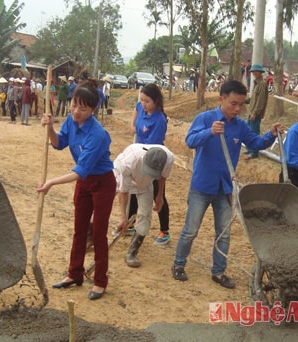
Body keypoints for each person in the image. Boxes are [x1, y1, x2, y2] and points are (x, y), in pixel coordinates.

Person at [171, 80, 282, 289]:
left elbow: (256, 143)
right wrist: (209, 132)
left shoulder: (240, 125)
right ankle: (178, 264)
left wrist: (271, 135)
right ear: (221, 99)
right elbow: (190, 141)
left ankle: (219, 271)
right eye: (233, 103)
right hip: (202, 186)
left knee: (224, 232)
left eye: (241, 104)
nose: (238, 109)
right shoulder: (205, 119)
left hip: (225, 189)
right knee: (191, 230)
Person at [37, 79, 116, 301]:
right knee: (79, 229)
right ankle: (74, 274)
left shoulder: (98, 134)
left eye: (83, 108)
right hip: (84, 184)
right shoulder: (71, 122)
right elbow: (58, 143)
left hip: (102, 184)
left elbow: (80, 171)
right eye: (74, 105)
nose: (76, 111)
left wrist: (51, 182)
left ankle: (100, 281)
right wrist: (51, 128)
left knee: (98, 233)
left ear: (93, 109)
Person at [114, 144, 174, 268]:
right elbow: (123, 192)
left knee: (145, 214)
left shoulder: (168, 158)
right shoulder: (127, 163)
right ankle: (91, 237)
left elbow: (163, 177)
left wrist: (159, 196)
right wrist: (123, 218)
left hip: (147, 185)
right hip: (126, 176)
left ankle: (132, 252)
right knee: (105, 198)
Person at [129, 83, 171, 245]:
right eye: (142, 100)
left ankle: (164, 231)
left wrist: (141, 161)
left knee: (156, 193)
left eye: (147, 101)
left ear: (156, 101)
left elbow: (153, 147)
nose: (144, 104)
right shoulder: (142, 107)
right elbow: (136, 108)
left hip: (153, 159)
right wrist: (133, 125)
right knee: (133, 189)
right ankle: (131, 224)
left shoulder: (159, 120)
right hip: (137, 155)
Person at [244, 63, 269, 159]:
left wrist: (255, 113)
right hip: (251, 112)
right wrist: (245, 101)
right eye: (253, 71)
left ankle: (254, 152)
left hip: (255, 113)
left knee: (254, 132)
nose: (254, 73)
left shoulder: (262, 84)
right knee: (249, 131)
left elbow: (260, 101)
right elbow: (254, 98)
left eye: (256, 71)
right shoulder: (256, 83)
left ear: (260, 72)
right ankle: (250, 149)